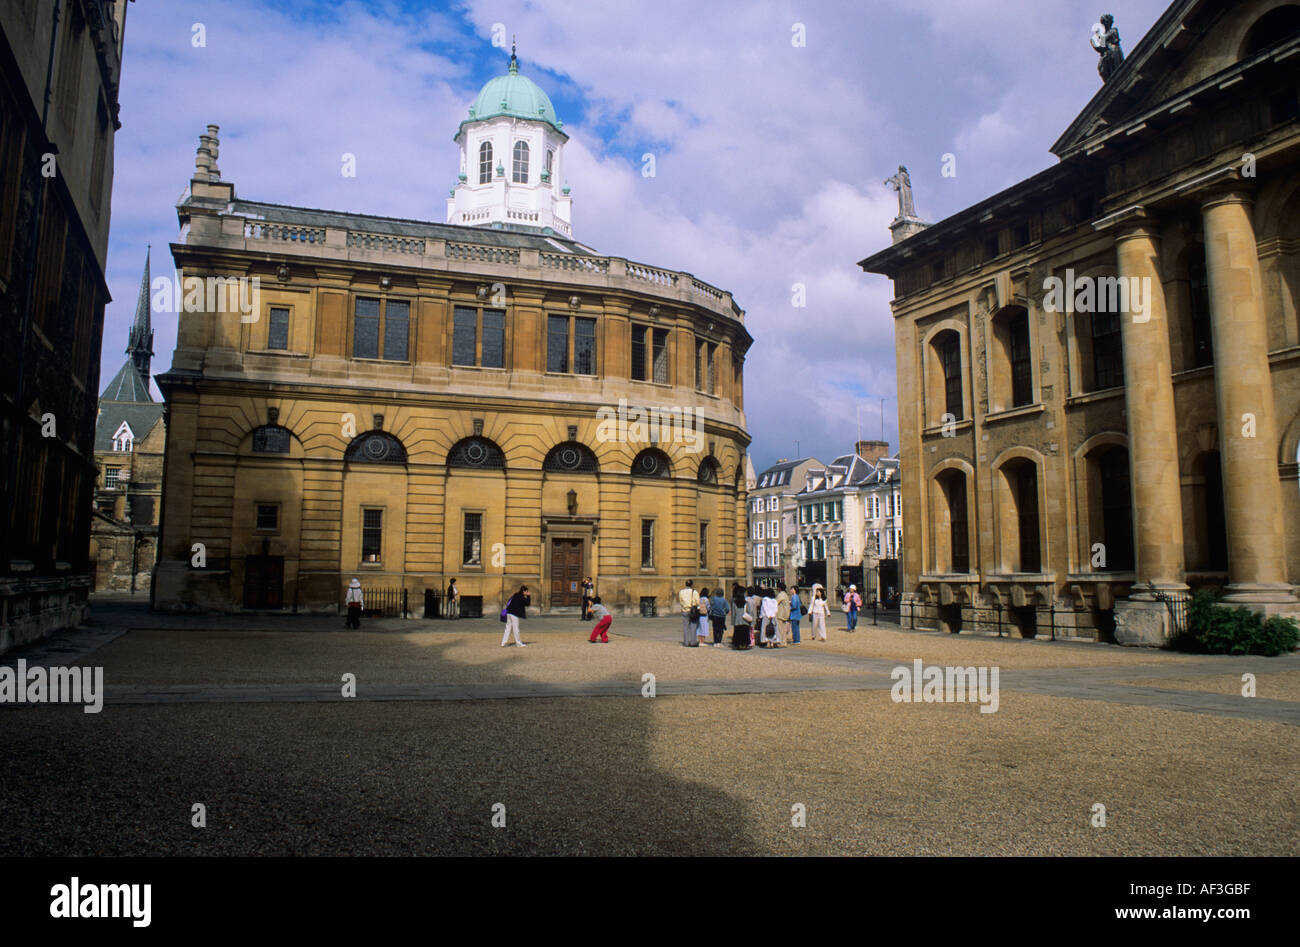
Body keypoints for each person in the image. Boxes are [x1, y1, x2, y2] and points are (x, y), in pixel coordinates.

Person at [679, 580, 701, 647]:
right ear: (692, 584)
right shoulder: (694, 592)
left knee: (685, 627)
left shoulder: (681, 592)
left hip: (685, 609)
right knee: (693, 626)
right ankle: (692, 642)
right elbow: (698, 602)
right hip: (693, 610)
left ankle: (686, 642)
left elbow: (680, 601)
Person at [730, 585, 752, 650]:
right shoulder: (746, 603)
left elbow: (733, 613)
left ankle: (738, 645)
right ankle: (745, 644)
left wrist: (733, 621)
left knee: (738, 633)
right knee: (745, 633)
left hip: (737, 620)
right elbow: (749, 611)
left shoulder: (734, 603)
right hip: (745, 620)